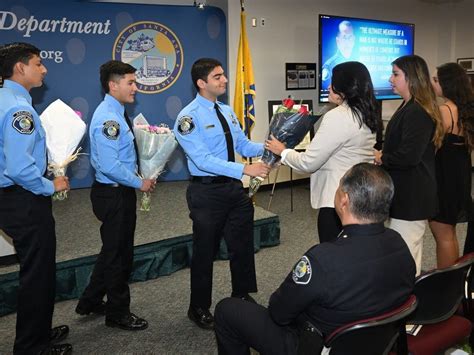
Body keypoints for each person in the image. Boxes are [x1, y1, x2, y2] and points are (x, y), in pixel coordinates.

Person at [214, 163, 416, 355]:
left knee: (227, 310)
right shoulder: (398, 243)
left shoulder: (322, 259)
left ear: (344, 200)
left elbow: (279, 312)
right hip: (378, 341)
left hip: (318, 346)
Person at [173, 58, 270, 330]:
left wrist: (271, 147)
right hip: (206, 193)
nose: (224, 80)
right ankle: (198, 307)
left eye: (223, 75)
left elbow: (242, 143)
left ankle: (241, 294)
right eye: (217, 77)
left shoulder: (226, 111)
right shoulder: (187, 118)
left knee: (242, 246)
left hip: (233, 189)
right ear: (201, 83)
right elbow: (202, 160)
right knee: (205, 252)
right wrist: (245, 169)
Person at [0, 42, 72, 354]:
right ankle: (31, 345)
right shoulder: (19, 109)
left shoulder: (4, 99)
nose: (43, 69)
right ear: (20, 67)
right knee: (38, 272)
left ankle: (38, 331)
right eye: (38, 63)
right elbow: (19, 167)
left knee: (35, 268)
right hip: (23, 198)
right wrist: (49, 186)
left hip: (11, 199)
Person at [75, 60, 155, 331]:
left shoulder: (116, 111)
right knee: (119, 256)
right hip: (113, 194)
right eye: (130, 83)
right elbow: (110, 166)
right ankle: (118, 313)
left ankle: (89, 301)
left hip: (116, 192)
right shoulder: (109, 118)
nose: (136, 88)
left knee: (113, 249)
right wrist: (139, 182)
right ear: (113, 85)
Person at [266, 61, 380, 243]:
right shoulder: (366, 113)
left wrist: (282, 151)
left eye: (333, 82)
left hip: (337, 200)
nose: (328, 87)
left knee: (334, 253)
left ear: (345, 87)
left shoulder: (338, 116)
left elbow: (308, 162)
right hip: (361, 196)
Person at [374, 54, 444, 275]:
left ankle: (408, 302)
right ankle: (409, 297)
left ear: (412, 78)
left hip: (413, 193)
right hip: (406, 190)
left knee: (405, 252)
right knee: (408, 250)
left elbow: (409, 156)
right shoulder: (408, 105)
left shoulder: (417, 110)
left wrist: (382, 158)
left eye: (396, 74)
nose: (390, 79)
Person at [429, 63, 474, 267]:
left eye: (436, 79)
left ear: (448, 83)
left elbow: (431, 146)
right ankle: (454, 284)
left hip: (444, 179)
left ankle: (447, 288)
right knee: (450, 233)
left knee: (443, 235)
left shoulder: (445, 110)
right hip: (460, 177)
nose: (432, 83)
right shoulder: (465, 110)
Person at [321, 20, 356, 89]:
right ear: (338, 41)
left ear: (354, 39)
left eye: (350, 37)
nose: (348, 41)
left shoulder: (360, 60)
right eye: (344, 37)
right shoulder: (329, 66)